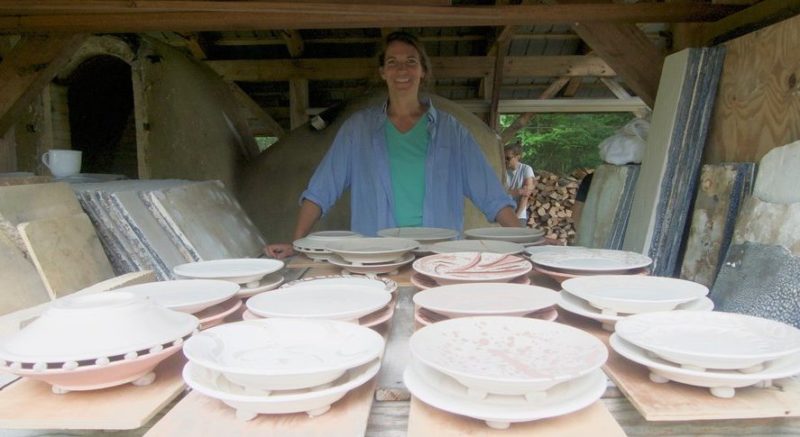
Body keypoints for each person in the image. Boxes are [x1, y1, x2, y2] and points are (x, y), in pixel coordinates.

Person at [266, 31, 518, 259]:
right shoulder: (357, 129)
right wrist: (296, 244)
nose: (402, 70)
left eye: (411, 61)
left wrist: (526, 239)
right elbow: (321, 191)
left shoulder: (451, 131)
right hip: (376, 255)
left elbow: (491, 196)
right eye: (392, 62)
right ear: (382, 72)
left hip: (437, 254)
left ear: (423, 71)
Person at [503, 144, 536, 227]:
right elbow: (498, 193)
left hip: (519, 215)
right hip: (502, 215)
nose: (505, 160)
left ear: (517, 157)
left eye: (508, 158)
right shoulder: (502, 170)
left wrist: (515, 217)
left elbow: (525, 196)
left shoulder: (526, 169)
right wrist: (517, 191)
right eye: (503, 158)